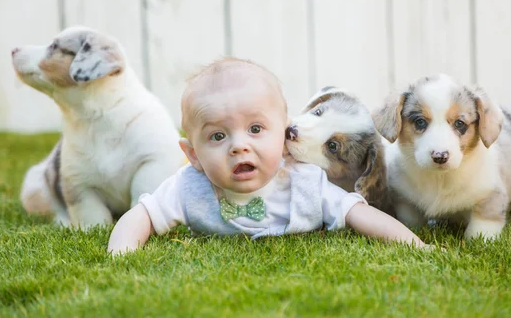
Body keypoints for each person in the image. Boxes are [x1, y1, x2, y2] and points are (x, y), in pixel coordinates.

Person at [108, 58, 431, 254]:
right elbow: (143, 214)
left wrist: (416, 245)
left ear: (284, 132)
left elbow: (359, 213)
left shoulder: (305, 183)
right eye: (218, 136)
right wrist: (121, 253)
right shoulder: (188, 186)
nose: (239, 146)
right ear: (193, 155)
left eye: (256, 129)